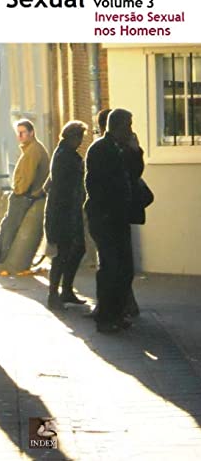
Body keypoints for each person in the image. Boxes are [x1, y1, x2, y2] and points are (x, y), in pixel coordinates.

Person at [84, 108, 144, 333]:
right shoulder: (100, 149)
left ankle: (118, 312)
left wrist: (135, 152)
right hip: (105, 216)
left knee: (125, 268)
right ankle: (106, 317)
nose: (130, 129)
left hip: (120, 216)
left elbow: (134, 174)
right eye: (128, 125)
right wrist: (107, 210)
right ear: (116, 126)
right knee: (110, 267)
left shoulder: (122, 148)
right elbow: (95, 185)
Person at [0, 119, 49, 272]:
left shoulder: (33, 151)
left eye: (23, 133)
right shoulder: (32, 149)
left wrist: (18, 191)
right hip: (27, 196)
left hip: (23, 197)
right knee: (7, 228)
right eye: (18, 133)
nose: (20, 136)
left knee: (8, 229)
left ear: (31, 133)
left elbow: (27, 177)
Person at [44, 121, 88, 310]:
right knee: (64, 252)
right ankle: (55, 293)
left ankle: (64, 290)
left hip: (66, 210)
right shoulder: (66, 157)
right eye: (79, 138)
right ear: (72, 137)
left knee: (72, 250)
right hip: (64, 211)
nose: (80, 142)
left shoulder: (62, 154)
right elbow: (64, 186)